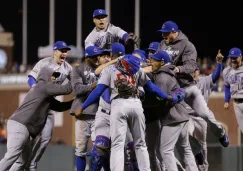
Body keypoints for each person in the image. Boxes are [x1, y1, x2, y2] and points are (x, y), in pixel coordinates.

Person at [74, 54, 185, 171]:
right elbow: (152, 88)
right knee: (141, 144)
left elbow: (98, 91)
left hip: (118, 105)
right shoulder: (138, 71)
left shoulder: (110, 69)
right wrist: (167, 97)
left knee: (118, 144)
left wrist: (83, 106)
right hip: (135, 106)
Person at [157, 20, 229, 147]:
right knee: (177, 125)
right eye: (163, 33)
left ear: (174, 32)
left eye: (166, 33)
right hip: (173, 90)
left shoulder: (187, 45)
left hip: (188, 87)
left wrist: (179, 69)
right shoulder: (162, 44)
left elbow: (191, 66)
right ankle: (196, 150)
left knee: (205, 115)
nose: (164, 36)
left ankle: (220, 132)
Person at [0, 67, 73, 171]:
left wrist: (75, 102)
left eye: (55, 76)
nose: (54, 78)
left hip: (23, 128)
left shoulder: (45, 94)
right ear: (45, 76)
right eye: (53, 75)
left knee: (22, 161)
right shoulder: (43, 86)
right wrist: (74, 76)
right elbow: (67, 89)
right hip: (20, 126)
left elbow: (60, 107)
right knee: (11, 156)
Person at [24, 41, 72, 171]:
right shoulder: (44, 63)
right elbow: (31, 78)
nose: (64, 53)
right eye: (62, 50)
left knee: (46, 138)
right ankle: (23, 163)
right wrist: (35, 89)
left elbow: (76, 82)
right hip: (36, 104)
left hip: (50, 104)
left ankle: (31, 164)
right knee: (28, 137)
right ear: (55, 52)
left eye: (66, 51)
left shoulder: (67, 68)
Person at [70, 45, 101, 171]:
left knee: (99, 148)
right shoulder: (78, 70)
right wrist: (91, 86)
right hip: (82, 114)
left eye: (97, 56)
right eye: (93, 57)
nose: (96, 59)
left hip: (99, 114)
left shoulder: (102, 68)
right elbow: (77, 89)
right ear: (87, 57)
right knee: (80, 149)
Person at [223, 48, 243, 133]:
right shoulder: (226, 71)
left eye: (235, 58)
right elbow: (227, 86)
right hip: (236, 103)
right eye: (231, 58)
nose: (233, 60)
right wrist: (226, 100)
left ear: (241, 57)